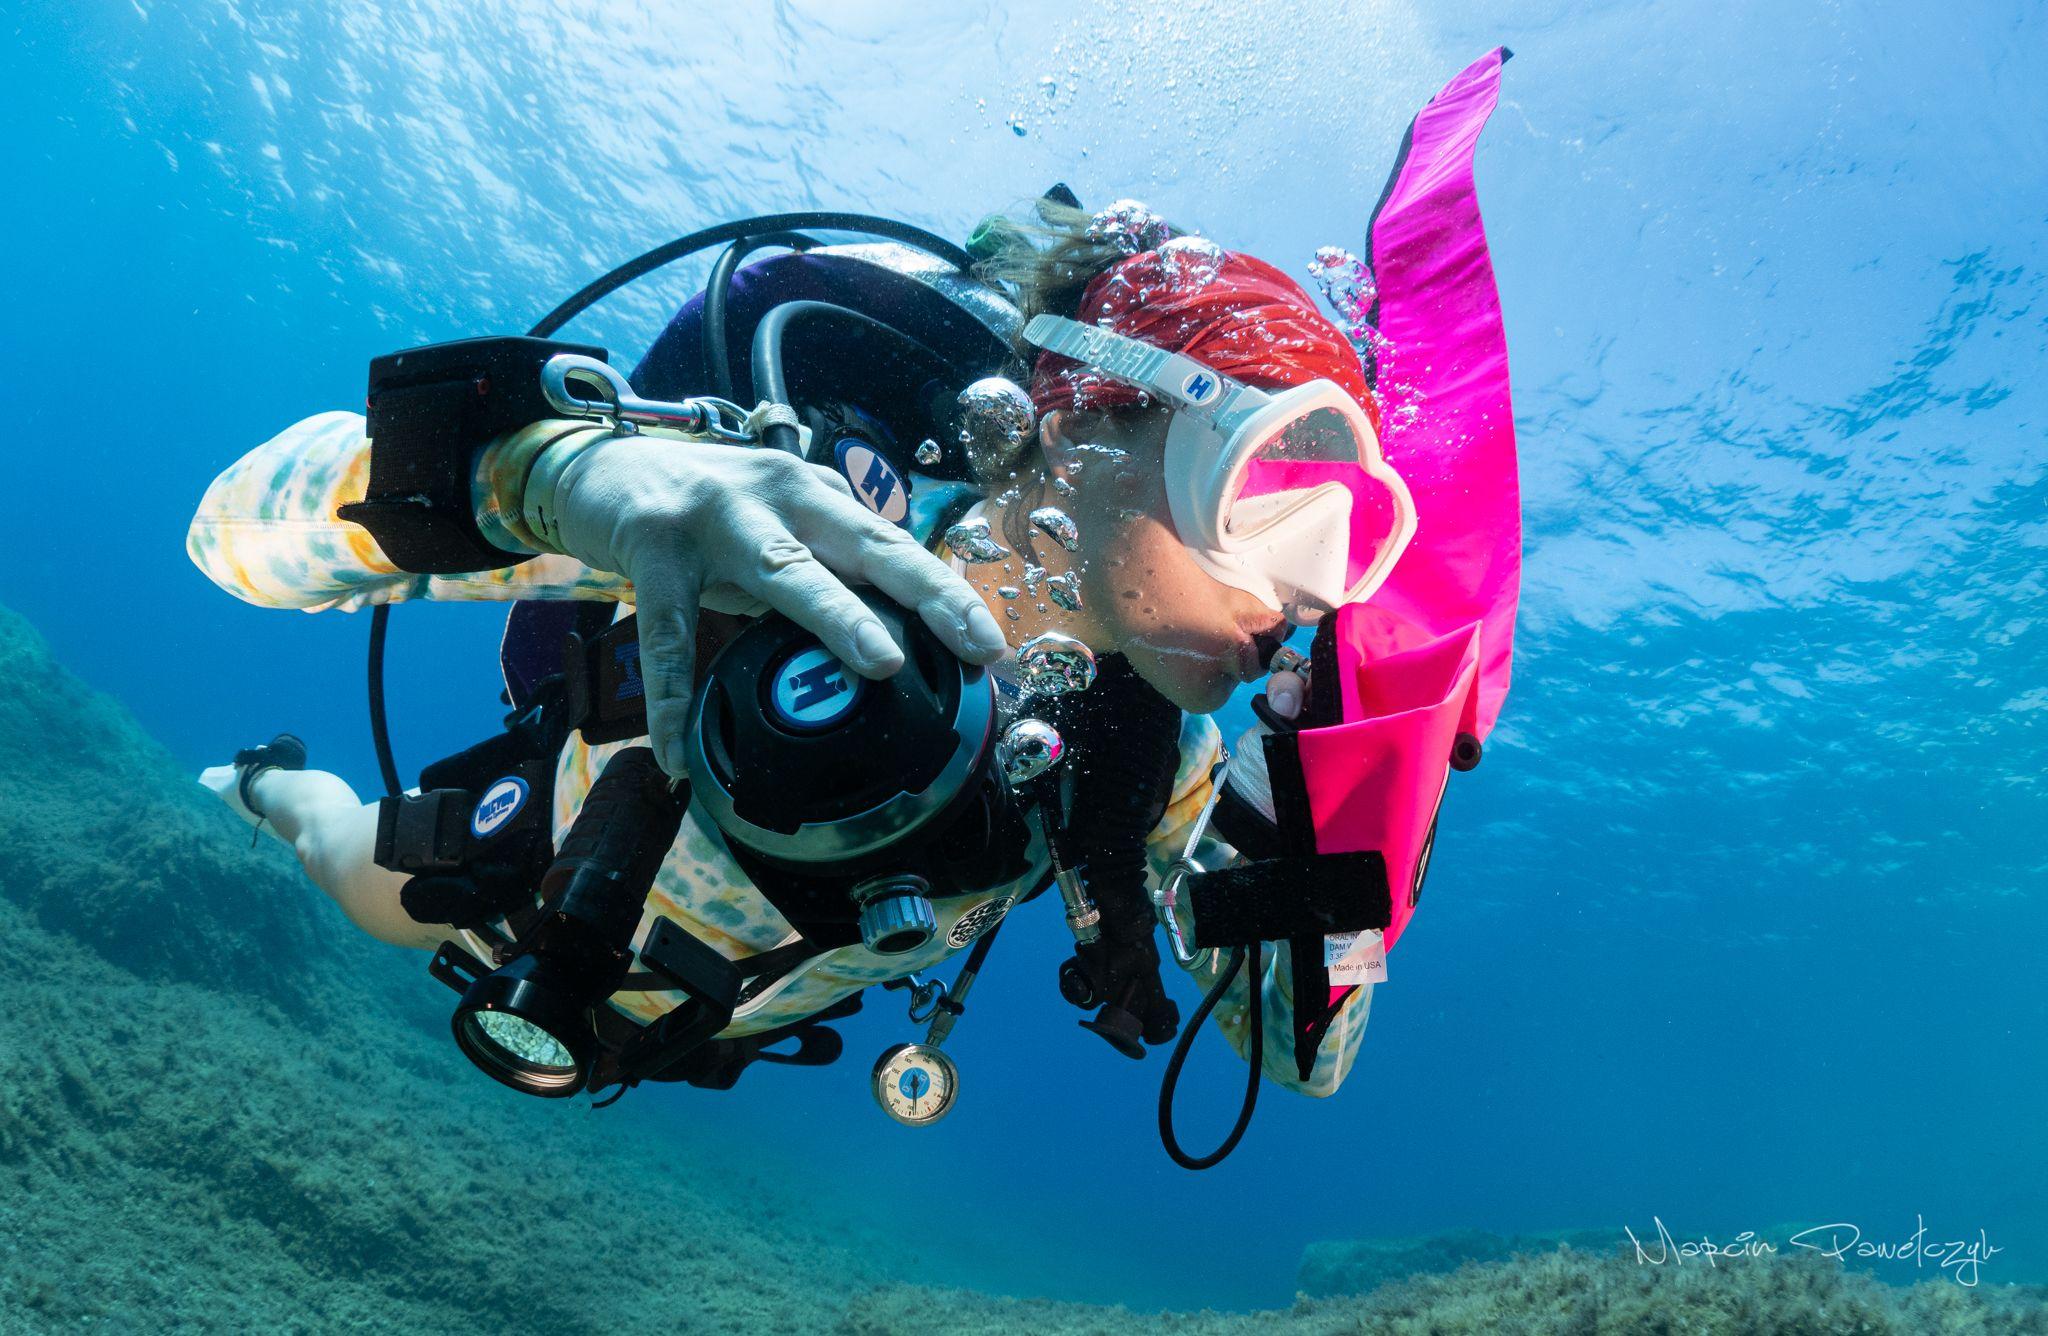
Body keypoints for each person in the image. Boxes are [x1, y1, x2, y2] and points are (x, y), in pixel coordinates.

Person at [191, 49, 1521, 1159]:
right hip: (516, 893)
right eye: (1265, 495)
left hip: (708, 1033)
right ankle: (266, 782)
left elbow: (1301, 1058)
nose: (1298, 592)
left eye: (1348, 542)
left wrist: (1366, 774)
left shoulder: (1159, 765)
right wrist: (562, 479)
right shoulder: (773, 507)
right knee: (339, 852)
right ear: (1088, 419)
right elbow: (233, 535)